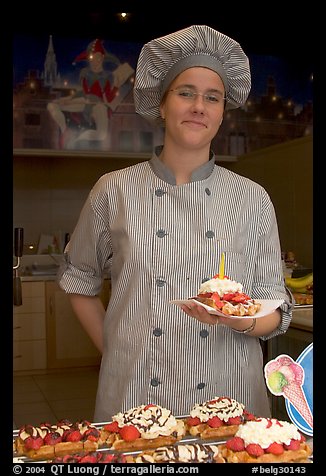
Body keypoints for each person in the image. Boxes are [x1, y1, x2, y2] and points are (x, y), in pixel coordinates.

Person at [57, 25, 293, 422]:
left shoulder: (252, 198)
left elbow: (275, 304)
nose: (199, 106)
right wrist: (117, 351)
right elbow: (79, 279)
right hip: (134, 391)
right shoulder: (113, 190)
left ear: (222, 112)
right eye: (186, 93)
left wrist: (242, 320)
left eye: (212, 98)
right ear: (161, 104)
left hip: (230, 390)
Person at [47, 39, 120, 149]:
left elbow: (108, 98)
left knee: (102, 135)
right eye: (92, 58)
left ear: (102, 58)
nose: (94, 61)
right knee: (51, 105)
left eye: (97, 57)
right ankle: (65, 131)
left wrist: (116, 87)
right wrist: (68, 98)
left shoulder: (108, 76)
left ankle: (77, 139)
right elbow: (83, 92)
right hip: (83, 102)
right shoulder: (85, 73)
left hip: (98, 106)